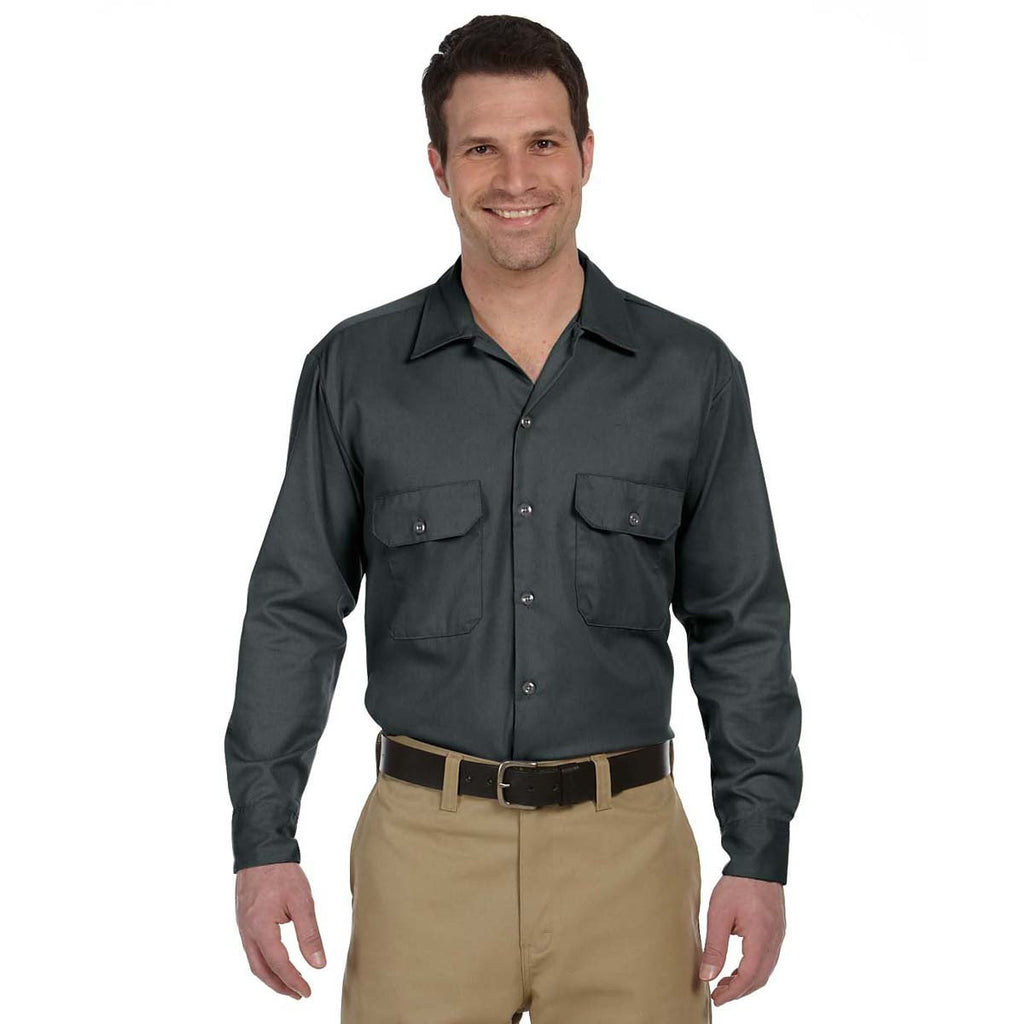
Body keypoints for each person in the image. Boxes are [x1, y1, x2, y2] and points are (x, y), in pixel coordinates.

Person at [224, 14, 802, 1022]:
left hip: (629, 858)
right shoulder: (355, 373)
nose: (516, 177)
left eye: (542, 141)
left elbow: (740, 621)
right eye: (481, 148)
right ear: (438, 167)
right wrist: (263, 839)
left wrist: (758, 852)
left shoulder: (691, 374)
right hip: (423, 857)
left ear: (587, 153)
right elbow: (295, 608)